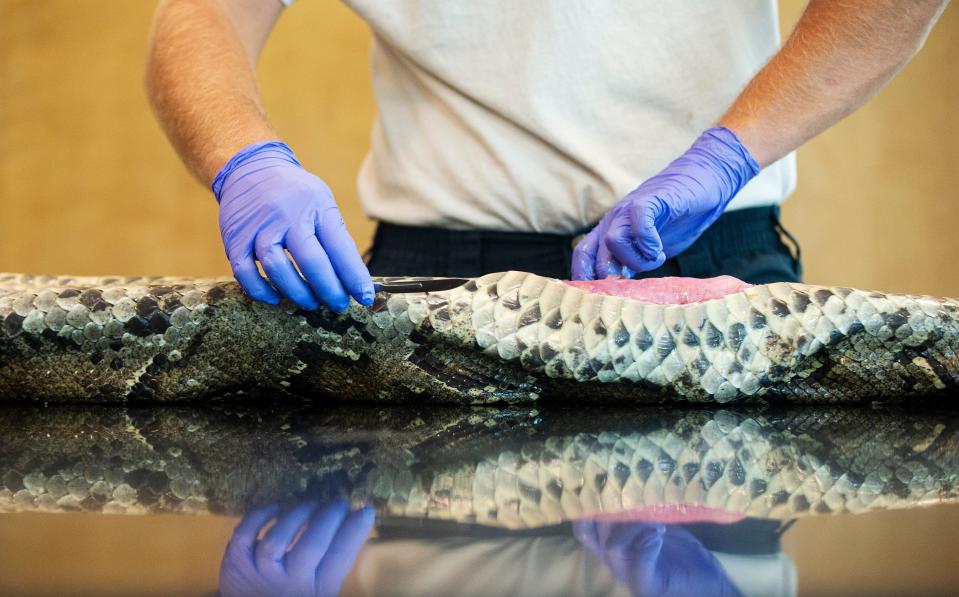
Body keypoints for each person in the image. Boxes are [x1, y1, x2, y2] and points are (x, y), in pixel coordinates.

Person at [147, 0, 948, 312]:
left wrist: (729, 154)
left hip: (708, 267)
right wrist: (245, 159)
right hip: (434, 281)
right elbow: (200, 16)